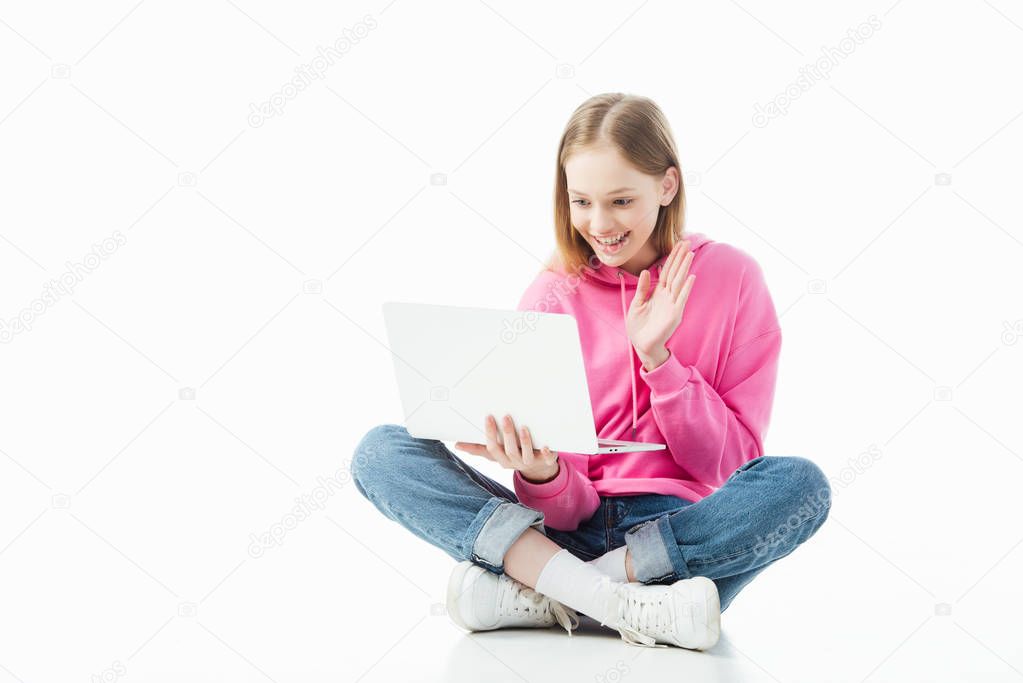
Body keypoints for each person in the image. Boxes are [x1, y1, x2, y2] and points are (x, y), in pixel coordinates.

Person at [351, 92, 831, 650]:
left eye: (621, 200)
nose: (599, 225)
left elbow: (735, 465)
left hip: (676, 539)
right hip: (558, 535)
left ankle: (555, 593)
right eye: (581, 202)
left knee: (802, 486)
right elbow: (565, 502)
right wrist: (541, 473)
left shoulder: (734, 278)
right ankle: (627, 603)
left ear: (667, 186)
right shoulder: (554, 294)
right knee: (380, 451)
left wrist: (660, 363)